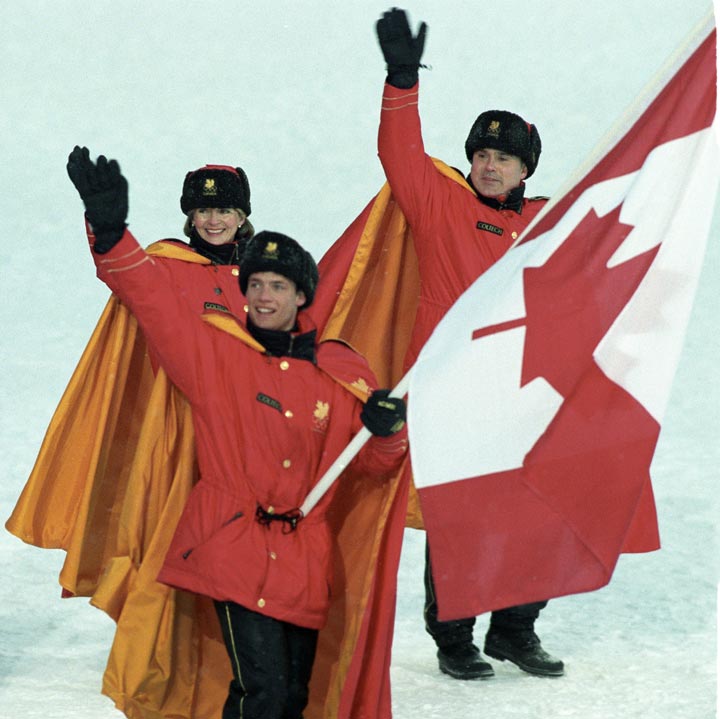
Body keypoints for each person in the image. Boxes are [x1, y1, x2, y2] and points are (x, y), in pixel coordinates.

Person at [65, 146, 409, 719]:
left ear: (304, 296)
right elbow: (150, 299)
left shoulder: (332, 371)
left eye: (279, 286)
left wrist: (386, 432)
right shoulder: (215, 357)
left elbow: (371, 465)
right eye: (257, 287)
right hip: (232, 540)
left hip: (302, 558)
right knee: (264, 691)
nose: (265, 297)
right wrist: (109, 230)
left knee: (294, 695)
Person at [374, 7, 564, 680]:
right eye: (481, 153)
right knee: (460, 517)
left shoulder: (550, 222)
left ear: (524, 168)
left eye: (503, 157)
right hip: (451, 386)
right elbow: (399, 155)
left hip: (523, 389)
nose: (488, 164)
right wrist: (402, 83)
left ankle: (515, 628)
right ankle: (453, 637)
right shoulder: (441, 204)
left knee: (535, 509)